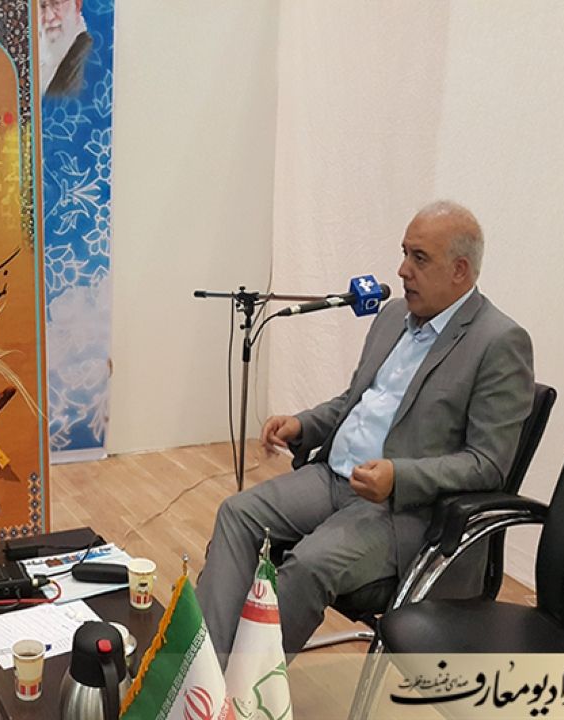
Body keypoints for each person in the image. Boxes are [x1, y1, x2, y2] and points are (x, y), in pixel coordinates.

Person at [195, 201, 534, 661]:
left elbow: (488, 464)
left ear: (459, 270)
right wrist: (303, 424)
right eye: (404, 253)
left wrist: (399, 476)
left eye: (419, 258)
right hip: (333, 477)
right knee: (237, 514)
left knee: (309, 564)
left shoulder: (498, 342)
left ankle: (247, 688)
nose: (403, 270)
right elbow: (355, 400)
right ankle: (207, 669)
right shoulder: (394, 316)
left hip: (403, 510)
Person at [39, 0, 93, 97]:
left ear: (77, 5)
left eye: (56, 3)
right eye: (42, 6)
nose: (49, 17)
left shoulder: (88, 58)